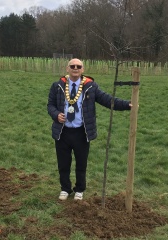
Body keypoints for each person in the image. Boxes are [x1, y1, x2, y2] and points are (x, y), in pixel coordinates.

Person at [47, 58, 132, 201]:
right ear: (67, 69)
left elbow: (107, 100)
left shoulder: (90, 86)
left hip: (82, 132)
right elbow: (50, 105)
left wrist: (127, 104)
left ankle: (79, 189)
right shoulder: (57, 86)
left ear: (83, 69)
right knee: (63, 163)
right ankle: (65, 189)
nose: (75, 68)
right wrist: (56, 115)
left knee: (81, 163)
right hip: (63, 131)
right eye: (72, 66)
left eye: (78, 66)